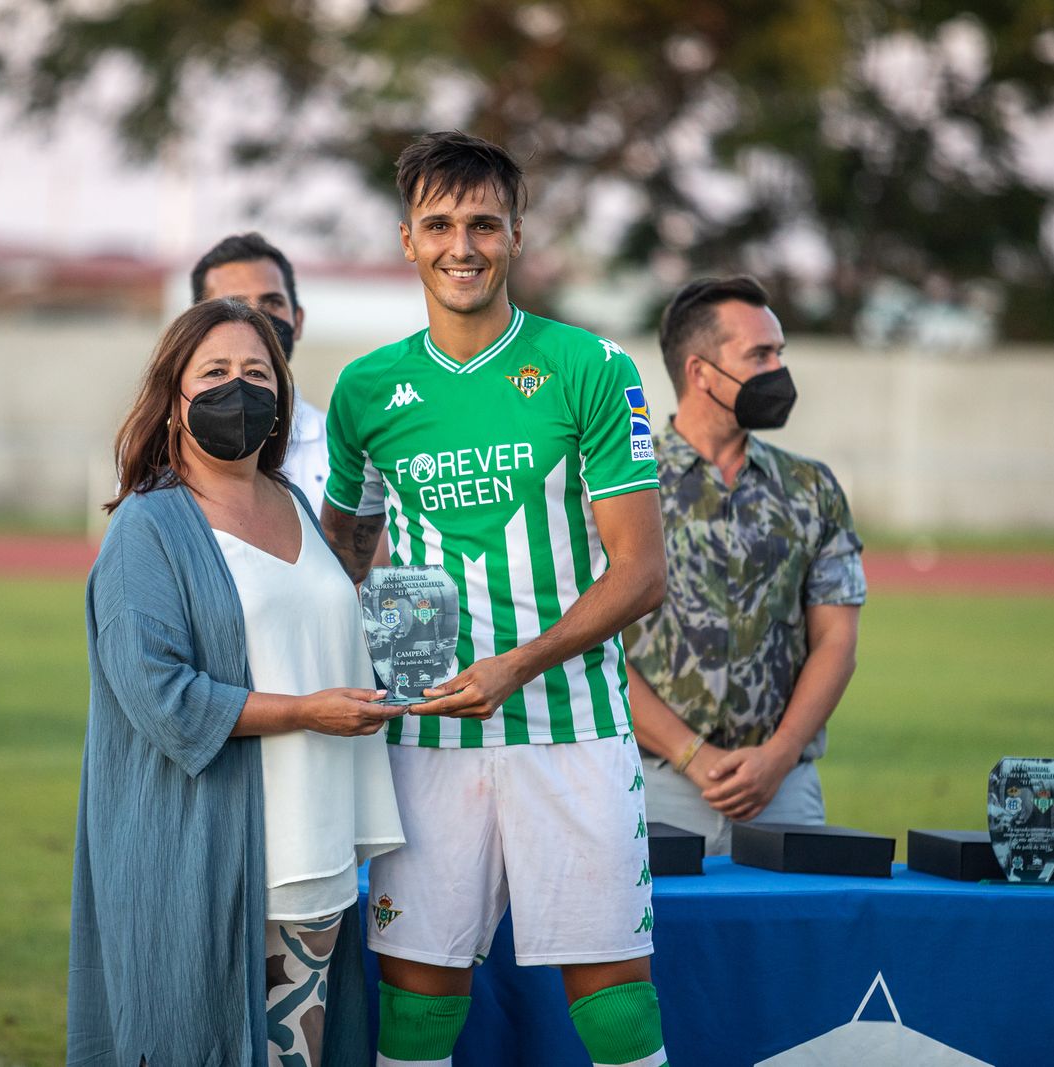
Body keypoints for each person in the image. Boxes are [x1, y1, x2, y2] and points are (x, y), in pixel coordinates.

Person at [319, 131, 672, 1067]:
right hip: (427, 734)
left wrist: (517, 664)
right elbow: (337, 554)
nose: (461, 245)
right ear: (406, 239)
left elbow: (641, 570)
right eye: (438, 224)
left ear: (518, 234)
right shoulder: (365, 389)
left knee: (616, 1005)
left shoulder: (591, 367)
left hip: (573, 724)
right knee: (419, 1005)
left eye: (483, 223)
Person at [68, 298, 406, 1067]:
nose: (240, 388)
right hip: (215, 853)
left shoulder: (293, 502)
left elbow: (328, 641)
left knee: (304, 1054)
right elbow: (162, 694)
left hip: (318, 850)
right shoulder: (146, 529)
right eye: (215, 372)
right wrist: (306, 712)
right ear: (173, 395)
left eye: (258, 373)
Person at [625, 275, 867, 856]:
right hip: (651, 788)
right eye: (759, 354)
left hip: (783, 791)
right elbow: (588, 645)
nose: (777, 371)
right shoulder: (620, 488)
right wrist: (693, 756)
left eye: (779, 353)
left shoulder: (813, 488)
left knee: (790, 946)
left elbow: (836, 640)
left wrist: (779, 756)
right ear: (700, 372)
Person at [191, 232, 330, 508]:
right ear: (197, 326)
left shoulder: (340, 449)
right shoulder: (159, 453)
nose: (257, 319)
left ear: (298, 320)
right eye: (235, 305)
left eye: (272, 303)